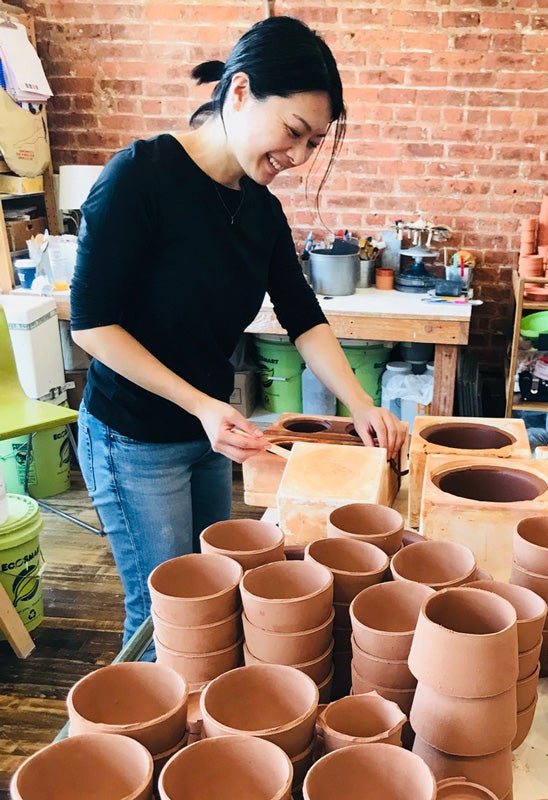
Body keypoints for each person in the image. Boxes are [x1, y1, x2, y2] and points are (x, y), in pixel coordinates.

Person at [70, 16, 405, 652]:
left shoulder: (261, 209)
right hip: (134, 436)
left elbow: (303, 317)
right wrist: (200, 405)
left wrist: (362, 405)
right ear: (242, 91)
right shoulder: (139, 178)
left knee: (218, 596)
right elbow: (92, 325)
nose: (299, 157)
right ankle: (143, 714)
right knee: (166, 611)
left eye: (313, 143)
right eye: (294, 132)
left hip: (209, 436)